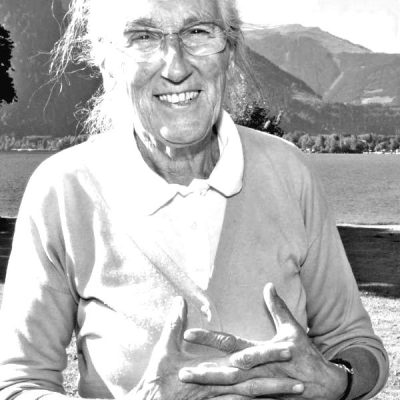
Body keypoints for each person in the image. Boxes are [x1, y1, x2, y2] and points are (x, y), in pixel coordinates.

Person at [0, 0, 389, 399]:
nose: (176, 66)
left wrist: (337, 379)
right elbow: (18, 385)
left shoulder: (288, 171)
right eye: (143, 36)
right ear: (107, 62)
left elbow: (357, 344)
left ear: (230, 52)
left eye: (198, 31)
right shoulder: (64, 189)